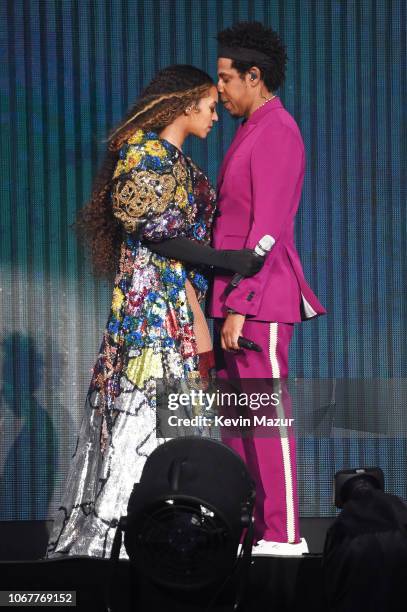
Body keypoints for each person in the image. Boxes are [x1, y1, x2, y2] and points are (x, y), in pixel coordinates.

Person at [46, 64, 263, 559]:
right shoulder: (142, 153)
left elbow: (193, 240)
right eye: (211, 105)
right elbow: (156, 231)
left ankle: (178, 528)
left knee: (183, 416)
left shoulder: (190, 171)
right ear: (187, 104)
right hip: (148, 312)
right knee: (141, 415)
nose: (215, 115)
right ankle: (121, 540)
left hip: (183, 310)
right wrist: (231, 261)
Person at [207, 22, 326, 555]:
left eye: (226, 79)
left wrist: (239, 304)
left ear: (255, 78)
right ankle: (251, 528)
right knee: (238, 426)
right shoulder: (251, 129)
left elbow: (268, 229)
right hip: (234, 302)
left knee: (266, 421)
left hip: (258, 303)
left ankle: (283, 536)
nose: (219, 90)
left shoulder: (277, 130)